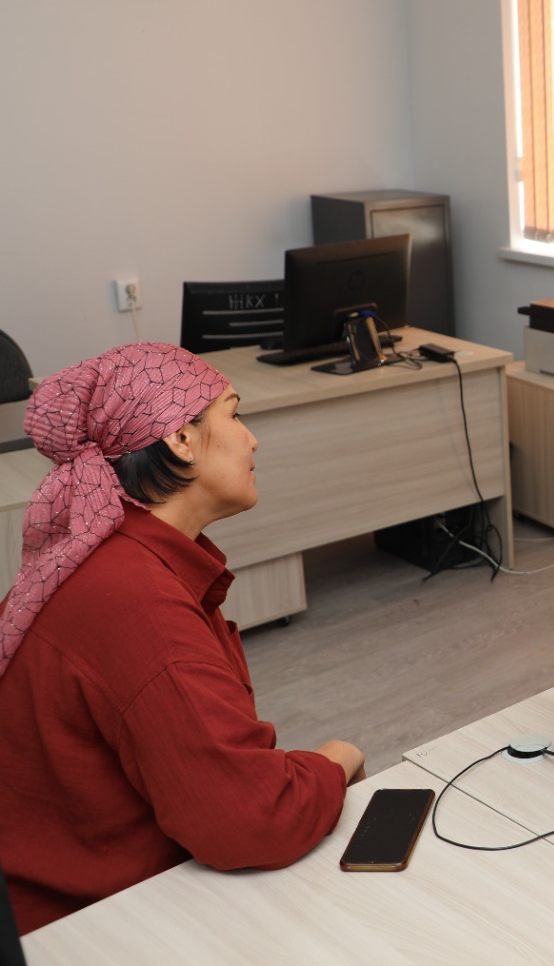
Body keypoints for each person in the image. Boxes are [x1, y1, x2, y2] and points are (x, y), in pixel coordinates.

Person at [0, 343, 363, 934]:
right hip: (83, 929)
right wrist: (337, 760)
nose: (252, 440)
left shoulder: (116, 561)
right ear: (181, 440)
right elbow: (249, 822)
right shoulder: (136, 600)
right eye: (235, 415)